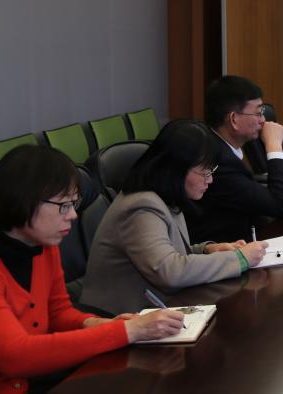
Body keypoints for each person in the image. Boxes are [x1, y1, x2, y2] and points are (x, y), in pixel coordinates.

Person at [0, 145, 184, 393]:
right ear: (24, 199)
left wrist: (96, 323)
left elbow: (58, 313)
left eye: (74, 204)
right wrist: (126, 331)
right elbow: (15, 357)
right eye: (64, 205)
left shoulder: (44, 246)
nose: (73, 216)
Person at [81, 120, 269, 315]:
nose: (210, 180)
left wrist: (207, 250)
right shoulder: (142, 207)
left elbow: (168, 253)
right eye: (205, 172)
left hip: (157, 310)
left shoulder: (165, 196)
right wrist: (239, 259)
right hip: (120, 318)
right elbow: (169, 271)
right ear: (177, 169)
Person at [187, 75, 283, 244]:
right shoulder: (218, 162)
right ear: (233, 119)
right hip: (223, 249)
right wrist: (274, 145)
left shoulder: (218, 145)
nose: (263, 120)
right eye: (258, 113)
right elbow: (282, 205)